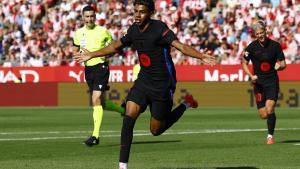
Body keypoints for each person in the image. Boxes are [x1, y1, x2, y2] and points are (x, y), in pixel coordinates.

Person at [74, 0, 216, 168]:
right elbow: (115, 47)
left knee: (156, 130)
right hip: (143, 80)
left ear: (150, 13)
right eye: (135, 11)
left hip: (162, 84)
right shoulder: (134, 30)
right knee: (128, 118)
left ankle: (185, 104)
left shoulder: (159, 28)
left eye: (141, 12)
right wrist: (92, 55)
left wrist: (202, 56)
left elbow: (181, 47)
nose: (137, 15)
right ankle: (122, 166)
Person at [73, 5, 125, 147]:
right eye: (87, 16)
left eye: (92, 16)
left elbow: (114, 48)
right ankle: (123, 110)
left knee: (95, 99)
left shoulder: (103, 32)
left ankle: (95, 136)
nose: (90, 19)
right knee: (100, 102)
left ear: (95, 17)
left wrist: (107, 55)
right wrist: (76, 55)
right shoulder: (78, 33)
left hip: (101, 67)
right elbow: (75, 48)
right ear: (83, 17)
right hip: (88, 69)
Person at [242, 20, 286, 145]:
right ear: (255, 35)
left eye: (262, 32)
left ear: (266, 31)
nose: (260, 35)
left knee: (269, 108)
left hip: (272, 81)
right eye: (257, 34)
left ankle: (270, 136)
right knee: (263, 114)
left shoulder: (275, 46)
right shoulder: (251, 47)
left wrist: (280, 67)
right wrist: (250, 75)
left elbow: (283, 63)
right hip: (258, 83)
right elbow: (244, 63)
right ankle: (271, 117)